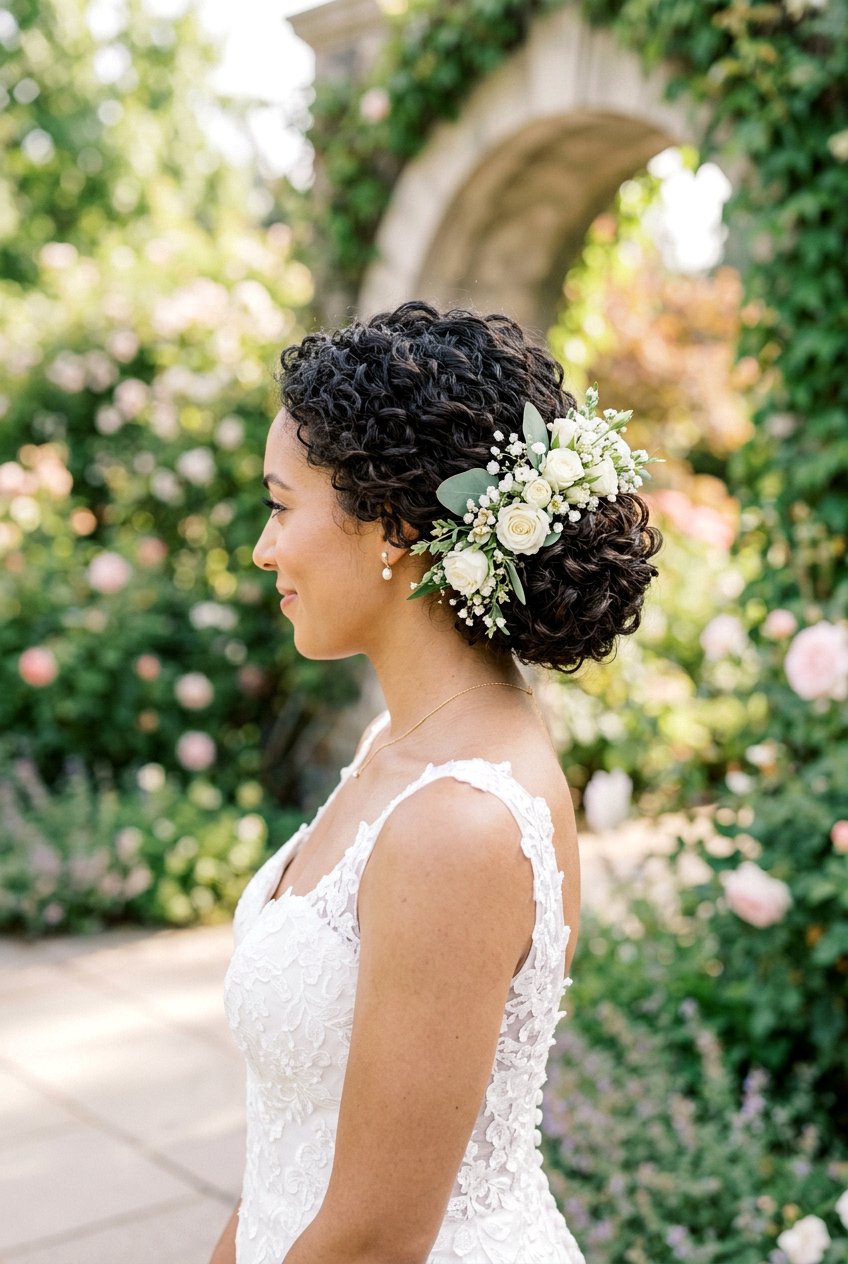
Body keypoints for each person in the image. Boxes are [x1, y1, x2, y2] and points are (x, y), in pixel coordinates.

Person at [213, 300, 662, 1264]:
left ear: (394, 526)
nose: (263, 548)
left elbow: (375, 1240)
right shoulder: (397, 742)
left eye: (282, 505)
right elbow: (293, 1154)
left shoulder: (457, 826)